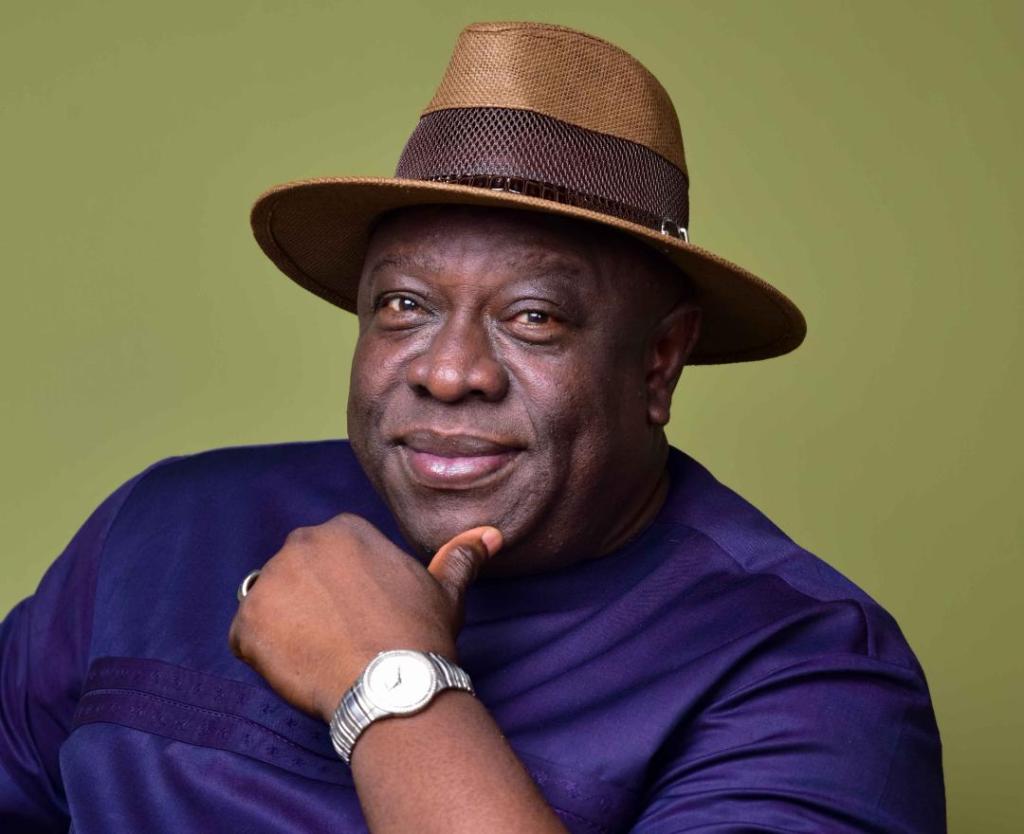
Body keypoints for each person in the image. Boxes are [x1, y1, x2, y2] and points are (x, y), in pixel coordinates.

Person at [0, 20, 945, 834]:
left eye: (533, 317)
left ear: (659, 363)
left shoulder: (804, 673)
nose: (449, 373)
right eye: (404, 306)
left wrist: (389, 681)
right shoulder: (162, 531)